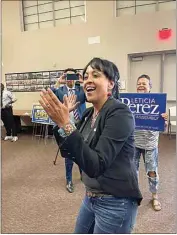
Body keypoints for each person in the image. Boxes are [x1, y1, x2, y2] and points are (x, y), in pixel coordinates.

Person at [39, 58, 142, 234]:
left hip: (116, 201)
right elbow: (69, 151)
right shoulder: (88, 114)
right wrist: (61, 121)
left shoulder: (119, 113)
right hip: (90, 196)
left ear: (110, 84)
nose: (87, 80)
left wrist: (66, 123)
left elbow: (96, 165)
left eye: (95, 75)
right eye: (85, 76)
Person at [134, 74, 168, 211]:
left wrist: (164, 121)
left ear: (150, 87)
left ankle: (154, 196)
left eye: (144, 83)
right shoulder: (132, 102)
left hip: (150, 144)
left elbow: (163, 128)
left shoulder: (157, 103)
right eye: (139, 83)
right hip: (134, 143)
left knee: (152, 172)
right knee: (132, 171)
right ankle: (134, 195)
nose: (141, 85)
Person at [52, 68, 86, 193]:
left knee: (83, 151)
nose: (70, 80)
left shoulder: (81, 90)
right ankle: (69, 180)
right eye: (68, 77)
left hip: (81, 125)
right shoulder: (60, 91)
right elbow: (49, 94)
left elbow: (91, 95)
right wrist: (58, 82)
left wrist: (83, 82)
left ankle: (83, 174)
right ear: (65, 78)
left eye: (73, 77)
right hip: (66, 125)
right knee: (69, 154)